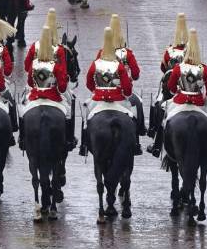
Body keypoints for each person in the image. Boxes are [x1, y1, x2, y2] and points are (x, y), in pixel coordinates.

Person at [148, 29, 207, 157]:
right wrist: (203, 102)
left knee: (164, 118)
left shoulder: (179, 68)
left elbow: (171, 88)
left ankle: (157, 146)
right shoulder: (204, 68)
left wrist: (178, 91)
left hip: (179, 101)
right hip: (199, 102)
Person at [82, 25, 138, 156]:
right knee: (133, 115)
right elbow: (128, 90)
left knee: (86, 120)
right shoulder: (120, 63)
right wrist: (125, 92)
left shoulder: (96, 63)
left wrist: (97, 91)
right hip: (119, 100)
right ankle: (135, 143)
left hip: (97, 100)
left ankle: (84, 145)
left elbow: (89, 82)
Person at [19, 24, 72, 152]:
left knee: (21, 109)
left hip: (35, 95)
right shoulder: (56, 62)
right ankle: (69, 139)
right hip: (53, 96)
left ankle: (22, 139)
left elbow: (30, 83)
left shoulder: (34, 63)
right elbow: (63, 87)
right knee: (69, 112)